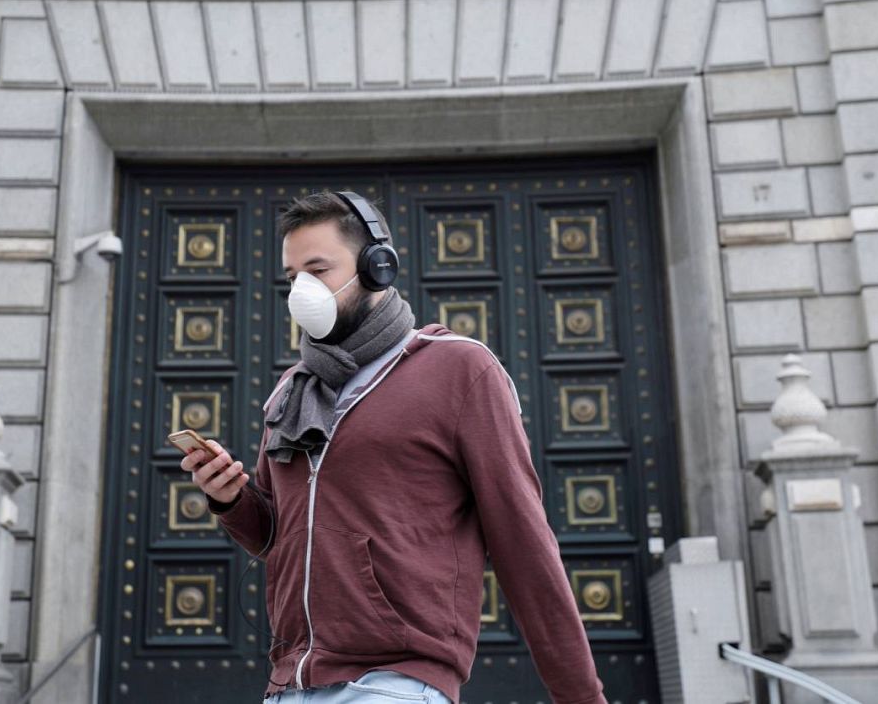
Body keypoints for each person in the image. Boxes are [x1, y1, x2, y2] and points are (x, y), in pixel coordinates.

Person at [180, 190, 608, 704]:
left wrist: (579, 695)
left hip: (395, 682)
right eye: (292, 278)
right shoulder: (293, 389)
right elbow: (277, 536)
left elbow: (523, 538)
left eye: (318, 270)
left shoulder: (459, 369)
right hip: (289, 682)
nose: (301, 292)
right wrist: (230, 499)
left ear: (377, 267)